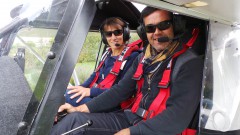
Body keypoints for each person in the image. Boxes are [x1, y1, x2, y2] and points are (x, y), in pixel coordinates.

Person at [51, 7, 203, 135]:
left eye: (163, 25)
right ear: (144, 32)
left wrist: (130, 132)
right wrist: (80, 109)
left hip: (156, 129)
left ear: (175, 27)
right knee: (75, 120)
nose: (156, 32)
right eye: (150, 28)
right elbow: (120, 91)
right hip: (131, 117)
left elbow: (177, 118)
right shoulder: (144, 58)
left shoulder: (189, 63)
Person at [65, 17, 141, 107]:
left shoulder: (133, 57)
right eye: (109, 34)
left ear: (125, 33)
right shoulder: (107, 54)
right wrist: (81, 87)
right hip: (99, 95)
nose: (113, 38)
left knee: (69, 96)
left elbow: (121, 91)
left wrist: (90, 91)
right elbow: (95, 75)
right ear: (104, 38)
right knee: (66, 92)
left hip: (112, 102)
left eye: (117, 32)